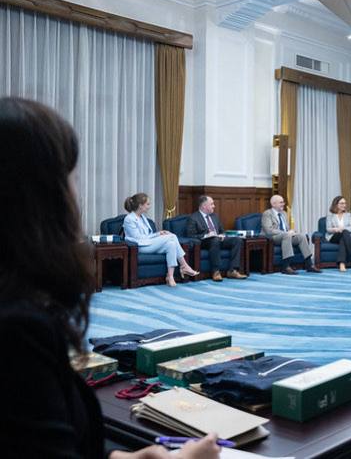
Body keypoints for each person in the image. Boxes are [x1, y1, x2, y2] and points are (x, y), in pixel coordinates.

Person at [0, 97, 219, 458]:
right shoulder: (18, 330)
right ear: (37, 197)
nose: (76, 190)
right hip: (141, 246)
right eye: (69, 176)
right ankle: (179, 270)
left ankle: (179, 269)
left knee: (169, 240)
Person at [123, 193, 199, 287]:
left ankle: (170, 276)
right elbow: (138, 238)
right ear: (140, 206)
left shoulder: (143, 217)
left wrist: (158, 234)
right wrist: (158, 235)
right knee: (172, 236)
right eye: (147, 204)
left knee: (171, 244)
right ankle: (184, 266)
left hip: (148, 243)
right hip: (139, 246)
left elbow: (147, 235)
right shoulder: (129, 219)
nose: (149, 206)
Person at [186, 196, 247, 282]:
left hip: (218, 239)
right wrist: (206, 235)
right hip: (204, 242)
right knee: (215, 240)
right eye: (211, 204)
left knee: (237, 240)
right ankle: (215, 271)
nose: (214, 206)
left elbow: (221, 230)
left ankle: (233, 270)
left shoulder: (214, 216)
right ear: (204, 206)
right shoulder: (193, 218)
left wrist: (222, 235)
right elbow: (191, 235)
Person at [261, 195, 320, 275]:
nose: (283, 204)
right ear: (273, 204)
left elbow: (286, 228)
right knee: (287, 236)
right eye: (281, 202)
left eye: (283, 202)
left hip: (285, 236)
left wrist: (292, 231)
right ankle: (285, 266)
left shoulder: (284, 213)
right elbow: (269, 230)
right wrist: (286, 233)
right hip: (272, 237)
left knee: (301, 236)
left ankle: (309, 264)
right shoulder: (267, 214)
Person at [326, 196, 351, 272]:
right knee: (344, 233)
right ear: (336, 204)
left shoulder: (348, 215)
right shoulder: (330, 216)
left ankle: (342, 264)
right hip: (333, 236)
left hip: (344, 236)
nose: (344, 205)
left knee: (343, 238)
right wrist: (336, 229)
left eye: (345, 203)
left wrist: (343, 229)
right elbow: (328, 229)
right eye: (342, 203)